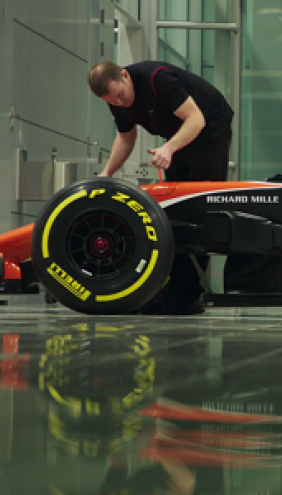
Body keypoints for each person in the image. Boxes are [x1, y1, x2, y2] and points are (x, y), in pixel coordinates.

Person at [87, 60, 235, 315]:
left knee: (196, 208)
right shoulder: (116, 99)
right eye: (112, 102)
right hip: (179, 133)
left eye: (120, 96)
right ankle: (174, 289)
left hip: (209, 126)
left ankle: (187, 295)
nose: (120, 103)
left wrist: (169, 148)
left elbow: (196, 119)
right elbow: (126, 137)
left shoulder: (159, 79)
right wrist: (107, 173)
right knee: (174, 210)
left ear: (125, 76)